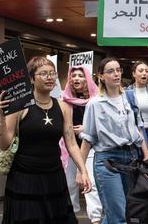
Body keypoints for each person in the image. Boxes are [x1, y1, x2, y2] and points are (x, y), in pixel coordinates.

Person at [0, 56, 92, 224]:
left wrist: (83, 171)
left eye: (52, 73)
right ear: (32, 79)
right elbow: (4, 144)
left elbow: (71, 143)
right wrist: (1, 117)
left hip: (54, 177)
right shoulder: (20, 105)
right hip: (24, 179)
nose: (50, 77)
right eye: (43, 74)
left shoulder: (63, 107)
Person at [79, 57, 148, 224]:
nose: (116, 74)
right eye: (110, 71)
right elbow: (88, 139)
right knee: (118, 216)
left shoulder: (130, 98)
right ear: (101, 76)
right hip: (107, 160)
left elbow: (139, 129)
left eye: (118, 70)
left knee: (123, 212)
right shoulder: (95, 104)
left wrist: (146, 156)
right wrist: (81, 171)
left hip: (131, 158)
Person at [62, 66, 102, 224]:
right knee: (70, 184)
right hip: (70, 149)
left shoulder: (97, 100)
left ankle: (96, 219)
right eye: (73, 76)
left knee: (89, 184)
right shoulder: (64, 101)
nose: (76, 78)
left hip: (91, 148)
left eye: (80, 75)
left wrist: (86, 129)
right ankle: (70, 216)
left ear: (87, 79)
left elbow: (103, 123)